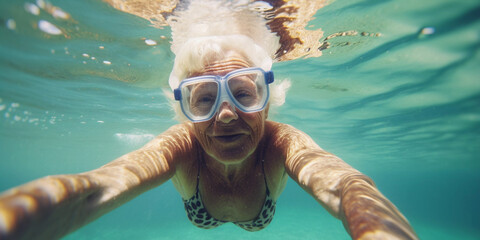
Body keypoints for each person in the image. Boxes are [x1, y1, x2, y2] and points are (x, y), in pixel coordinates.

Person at [0, 33, 418, 239]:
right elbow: (97, 188)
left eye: (242, 93)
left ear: (267, 103)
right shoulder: (179, 146)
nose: (226, 115)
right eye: (203, 100)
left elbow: (344, 187)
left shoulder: (280, 141)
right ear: (186, 113)